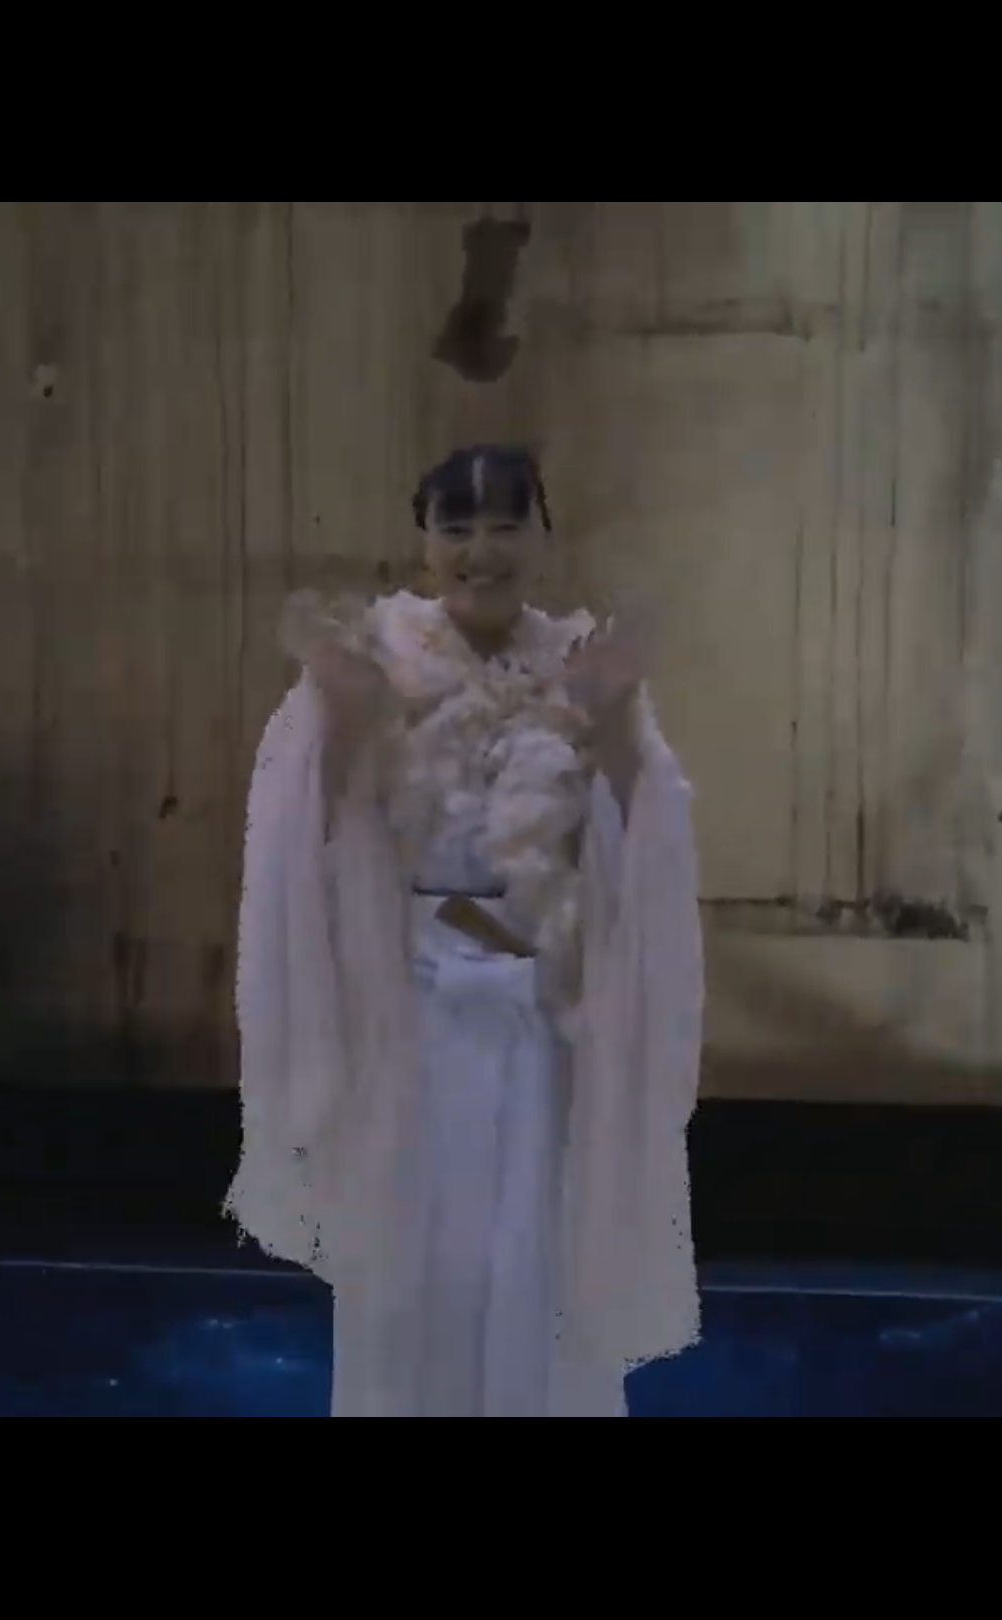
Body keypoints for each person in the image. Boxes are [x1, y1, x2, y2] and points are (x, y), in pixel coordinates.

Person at [226, 444, 704, 1417]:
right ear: (425, 541)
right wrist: (346, 719)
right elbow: (305, 832)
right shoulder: (375, 655)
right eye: (458, 527)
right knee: (415, 1270)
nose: (482, 550)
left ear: (542, 534)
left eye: (504, 524)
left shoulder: (579, 660)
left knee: (535, 1261)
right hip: (408, 1017)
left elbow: (641, 833)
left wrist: (613, 720)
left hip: (544, 1015)